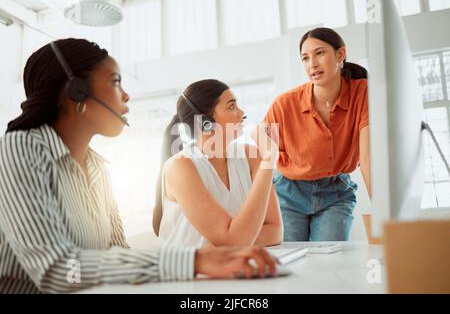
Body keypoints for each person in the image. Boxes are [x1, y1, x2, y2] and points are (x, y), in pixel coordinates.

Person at [0, 39, 277, 294]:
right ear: (77, 91)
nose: (127, 96)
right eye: (116, 81)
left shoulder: (98, 168)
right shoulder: (19, 148)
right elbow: (57, 271)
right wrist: (195, 260)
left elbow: (119, 253)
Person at [263, 27, 371, 241]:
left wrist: (385, 213)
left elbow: (368, 159)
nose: (312, 64)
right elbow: (261, 161)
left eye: (320, 53)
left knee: (330, 262)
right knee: (292, 263)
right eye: (305, 58)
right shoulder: (283, 105)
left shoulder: (363, 93)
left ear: (340, 54)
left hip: (336, 192)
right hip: (288, 191)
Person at [152, 79, 282, 248]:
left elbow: (275, 231)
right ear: (205, 122)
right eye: (231, 106)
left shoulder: (251, 156)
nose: (241, 112)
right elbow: (233, 242)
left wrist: (238, 237)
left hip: (233, 267)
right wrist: (269, 159)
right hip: (187, 272)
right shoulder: (180, 167)